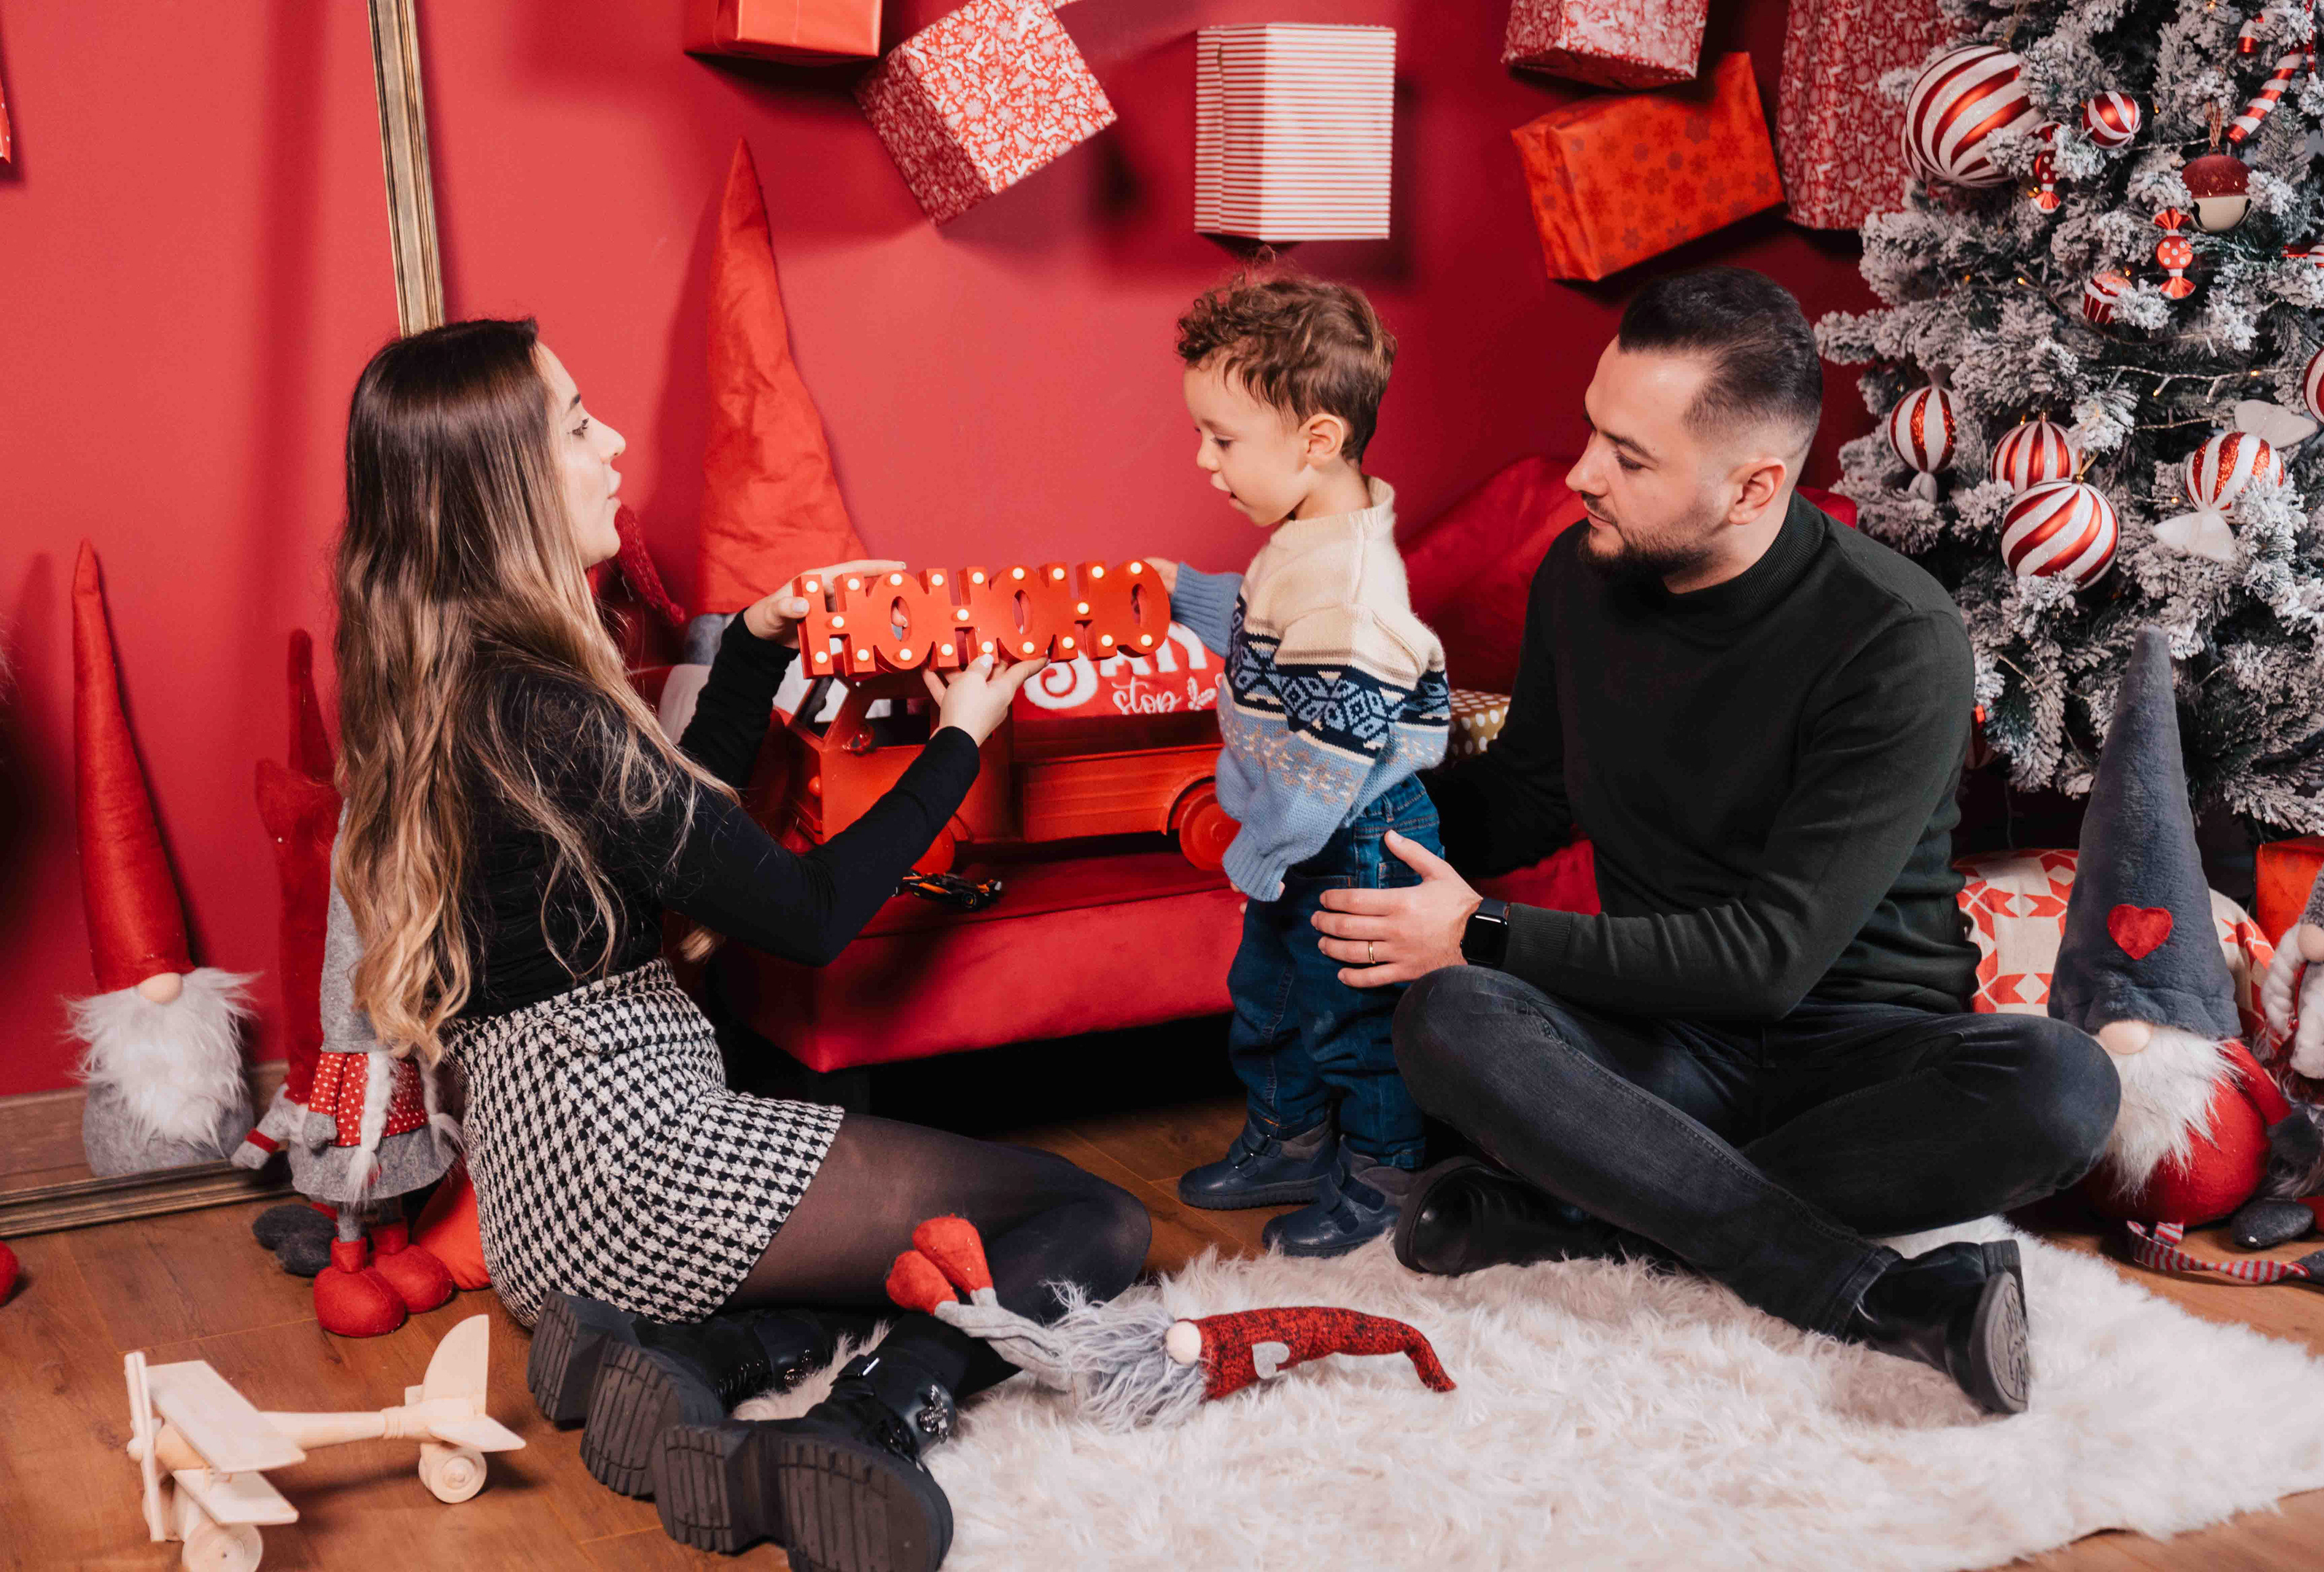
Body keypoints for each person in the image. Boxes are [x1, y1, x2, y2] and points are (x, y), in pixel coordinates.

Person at [333, 317, 1150, 1567]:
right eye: (576, 425)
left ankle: (693, 1357)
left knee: (889, 1258)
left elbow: (673, 831)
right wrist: (960, 742)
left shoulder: (468, 688)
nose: (614, 445)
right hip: (641, 1163)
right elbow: (809, 916)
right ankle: (874, 1421)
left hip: (542, 1193)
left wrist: (757, 645)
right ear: (505, 483)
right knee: (1092, 1219)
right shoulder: (551, 706)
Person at [1306, 268, 2120, 1415]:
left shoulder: (1894, 637)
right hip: (1662, 1047)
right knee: (1450, 1016)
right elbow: (1526, 797)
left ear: (1754, 486)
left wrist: (1481, 930)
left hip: (1861, 1059)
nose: (1583, 474)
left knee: (2063, 1087)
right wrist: (1343, 791)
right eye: (1594, 430)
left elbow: (1770, 958)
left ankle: (1585, 1212)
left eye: (1630, 459)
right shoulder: (1582, 578)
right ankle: (1884, 1295)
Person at [1147, 274, 1452, 1256]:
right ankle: (1290, 1142)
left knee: (1351, 1019)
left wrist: (1262, 850)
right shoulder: (1310, 539)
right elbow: (1265, 624)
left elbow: (1328, 760)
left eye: (1223, 439)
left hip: (1347, 832)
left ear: (1317, 439)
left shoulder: (1348, 594)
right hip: (1302, 825)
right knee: (1271, 999)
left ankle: (1383, 1178)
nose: (1204, 461)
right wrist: (1183, 593)